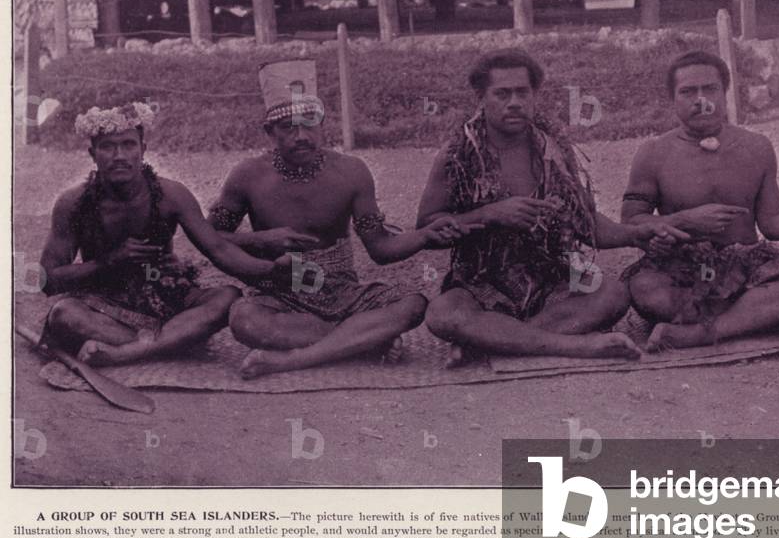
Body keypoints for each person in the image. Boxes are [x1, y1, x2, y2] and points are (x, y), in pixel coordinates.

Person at [416, 49, 687, 364]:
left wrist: (636, 235)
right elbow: (427, 226)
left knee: (612, 294)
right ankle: (576, 346)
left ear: (535, 95)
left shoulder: (552, 150)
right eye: (502, 94)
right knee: (443, 314)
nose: (514, 102)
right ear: (481, 97)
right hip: (479, 282)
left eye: (522, 92)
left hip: (550, 278)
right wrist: (489, 215)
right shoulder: (459, 153)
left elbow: (586, 223)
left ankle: (489, 342)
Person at [210, 60, 465, 378]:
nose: (301, 136)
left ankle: (292, 359)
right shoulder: (247, 176)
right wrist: (260, 239)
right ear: (270, 132)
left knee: (413, 305)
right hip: (280, 291)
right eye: (288, 127)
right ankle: (363, 340)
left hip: (343, 291)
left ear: (322, 124)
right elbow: (211, 237)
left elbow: (380, 248)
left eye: (310, 124)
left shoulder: (351, 172)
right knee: (244, 320)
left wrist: (424, 236)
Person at [621, 50, 779, 351]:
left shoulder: (756, 147)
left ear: (725, 93)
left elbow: (774, 220)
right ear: (672, 99)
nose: (701, 100)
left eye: (710, 89)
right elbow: (632, 221)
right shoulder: (653, 153)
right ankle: (762, 318)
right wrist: (681, 221)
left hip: (745, 265)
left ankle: (700, 333)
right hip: (680, 268)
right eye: (688, 92)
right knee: (644, 289)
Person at [40, 102, 286, 367]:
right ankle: (173, 341)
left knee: (228, 297)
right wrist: (109, 262)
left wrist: (273, 270)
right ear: (92, 153)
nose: (119, 155)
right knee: (64, 315)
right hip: (103, 303)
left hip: (165, 296)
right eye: (108, 147)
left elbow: (219, 249)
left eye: (128, 145)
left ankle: (126, 352)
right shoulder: (73, 204)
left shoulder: (172, 195)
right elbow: (48, 279)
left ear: (143, 149)